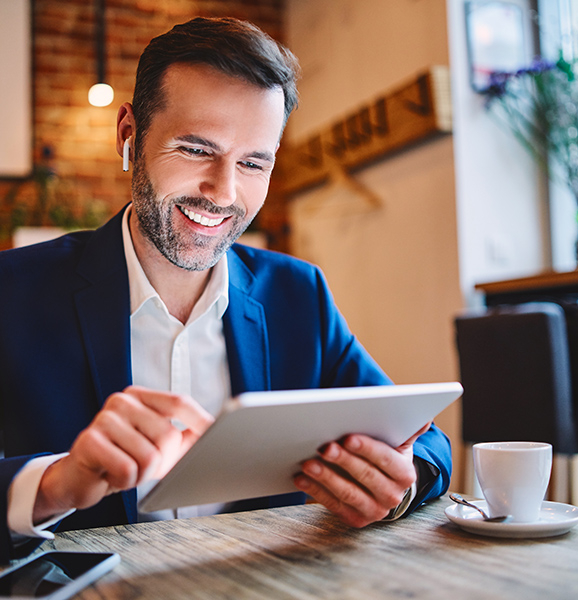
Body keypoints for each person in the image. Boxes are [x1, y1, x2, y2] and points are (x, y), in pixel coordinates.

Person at [0, 16, 452, 563]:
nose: (224, 192)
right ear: (129, 134)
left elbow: (418, 437)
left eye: (254, 162)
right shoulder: (15, 290)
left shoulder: (297, 293)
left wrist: (398, 486)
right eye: (194, 150)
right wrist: (53, 484)